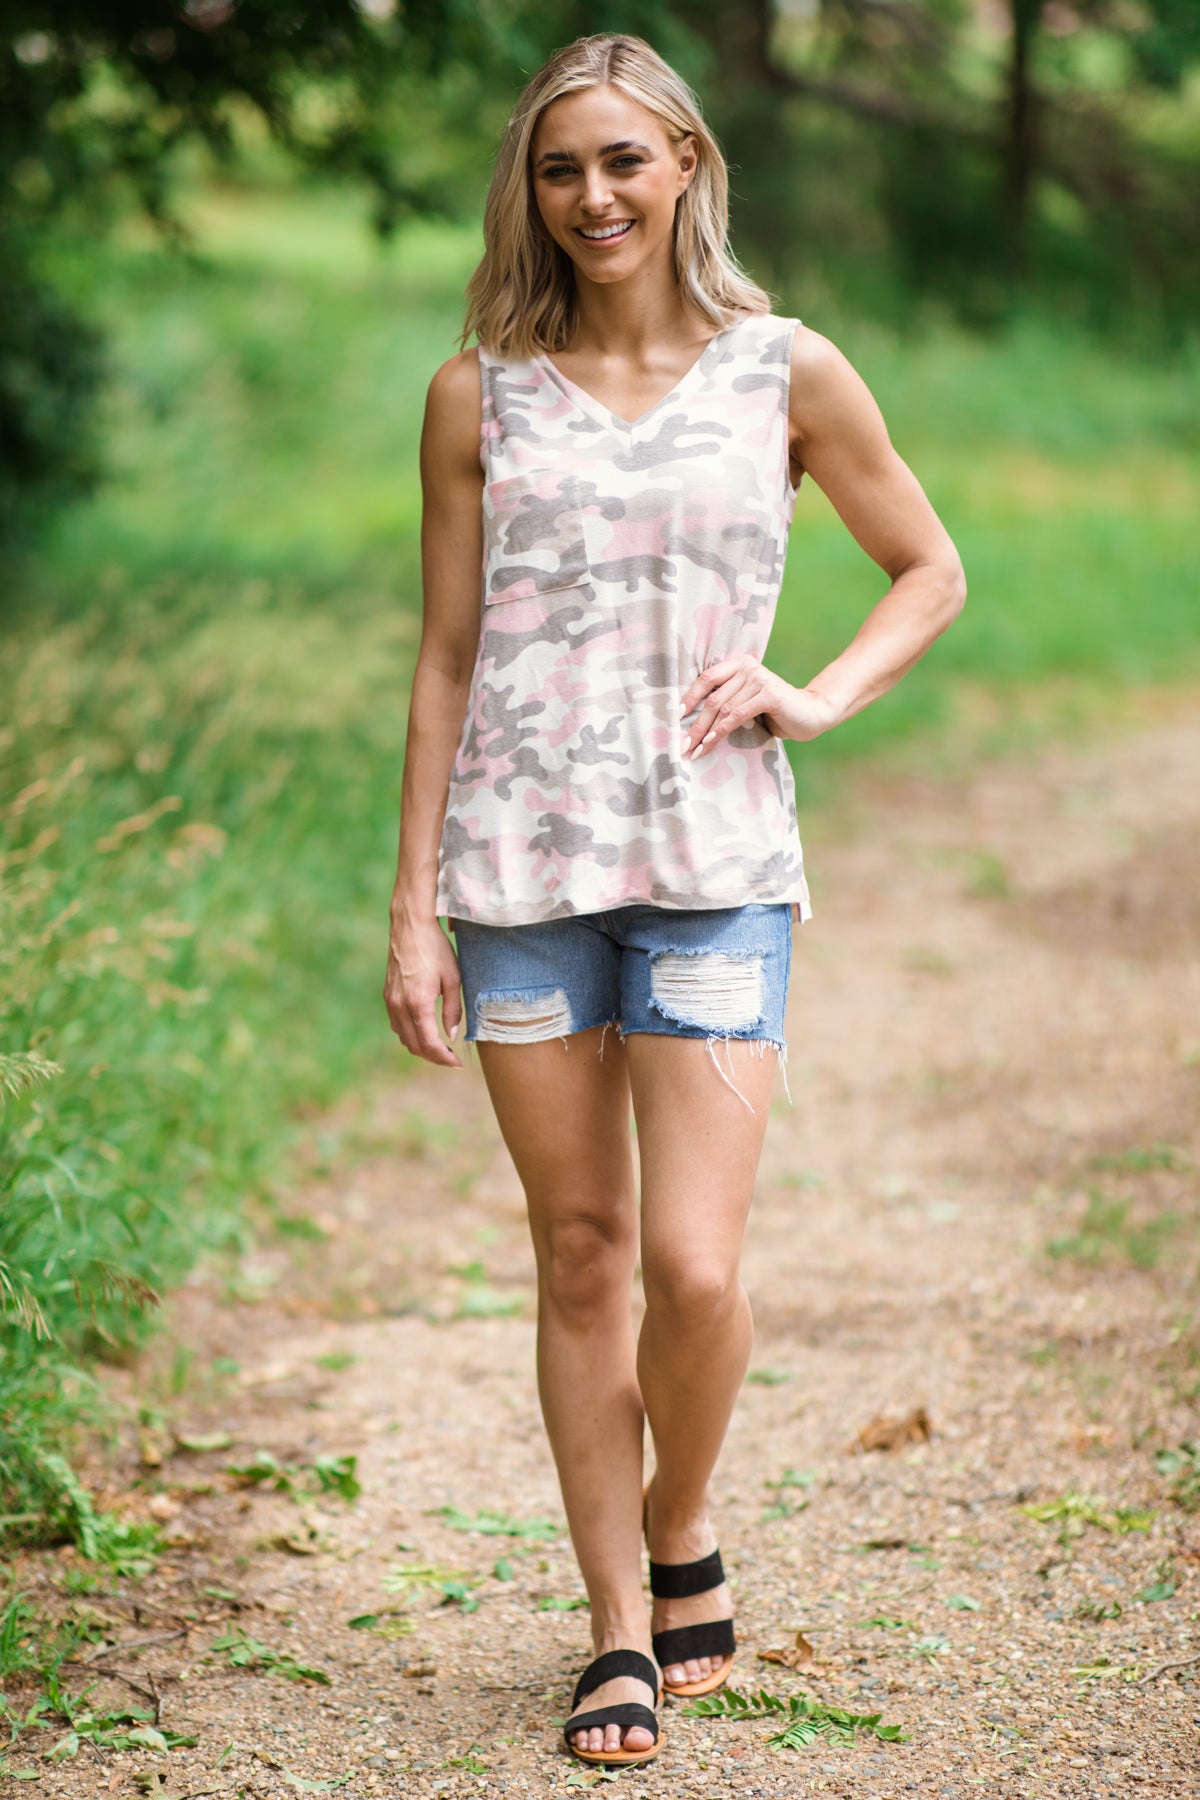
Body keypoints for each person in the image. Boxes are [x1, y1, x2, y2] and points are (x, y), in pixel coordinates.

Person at [383, 31, 965, 1770]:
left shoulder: (786, 371)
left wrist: (817, 694)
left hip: (714, 872)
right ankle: (619, 1628)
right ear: (532, 189)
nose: (594, 197)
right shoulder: (478, 396)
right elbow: (446, 655)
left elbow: (928, 568)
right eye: (561, 168)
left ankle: (682, 1508)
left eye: (625, 160)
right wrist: (412, 906)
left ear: (688, 165)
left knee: (696, 1271)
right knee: (582, 1254)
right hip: (519, 878)